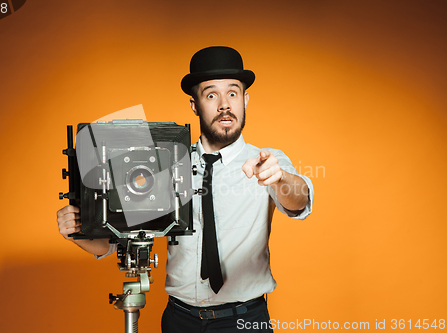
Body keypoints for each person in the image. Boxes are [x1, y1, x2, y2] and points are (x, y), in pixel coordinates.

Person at [57, 46, 314, 332]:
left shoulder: (267, 160)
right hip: (180, 321)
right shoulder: (165, 164)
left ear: (245, 100)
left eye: (233, 93)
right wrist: (77, 230)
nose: (224, 105)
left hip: (245, 320)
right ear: (194, 104)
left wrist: (279, 179)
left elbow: (299, 201)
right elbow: (114, 242)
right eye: (211, 94)